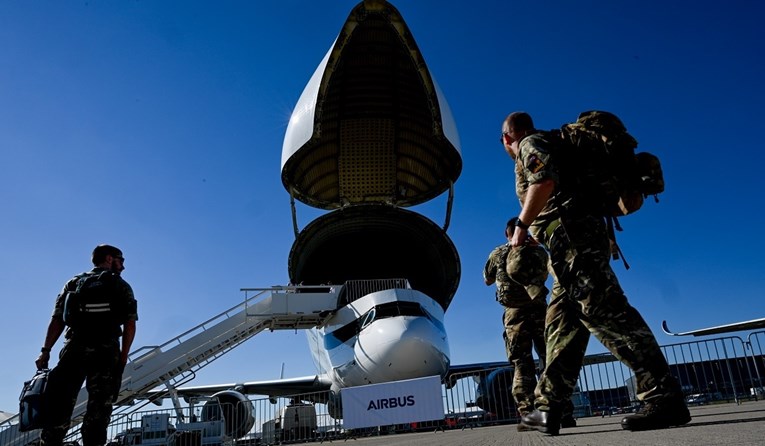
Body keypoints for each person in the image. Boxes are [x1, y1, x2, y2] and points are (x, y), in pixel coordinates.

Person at [500, 111, 690, 435]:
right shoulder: (560, 144)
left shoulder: (530, 142)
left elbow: (543, 180)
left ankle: (662, 395)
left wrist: (522, 224)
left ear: (507, 139)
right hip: (567, 244)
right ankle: (548, 408)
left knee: (605, 311)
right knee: (561, 325)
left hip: (572, 238)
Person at [35, 244, 138, 446]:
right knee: (99, 409)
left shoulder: (73, 283)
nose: (123, 266)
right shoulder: (121, 286)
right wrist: (123, 356)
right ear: (109, 258)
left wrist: (45, 352)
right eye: (121, 260)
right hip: (106, 352)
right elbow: (130, 325)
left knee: (60, 404)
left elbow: (57, 320)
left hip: (74, 348)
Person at [483, 217, 577, 431]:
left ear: (508, 233)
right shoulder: (541, 251)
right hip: (540, 310)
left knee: (522, 364)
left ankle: (528, 414)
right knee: (550, 359)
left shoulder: (498, 253)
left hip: (514, 314)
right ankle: (562, 411)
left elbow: (487, 279)